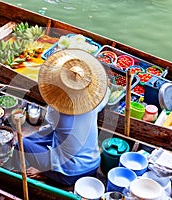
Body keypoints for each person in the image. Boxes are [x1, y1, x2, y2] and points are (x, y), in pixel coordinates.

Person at [11, 49, 109, 186]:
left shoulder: (58, 114)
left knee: (20, 143)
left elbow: (45, 125)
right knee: (43, 137)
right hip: (93, 162)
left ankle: (41, 173)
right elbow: (106, 92)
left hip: (71, 174)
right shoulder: (94, 101)